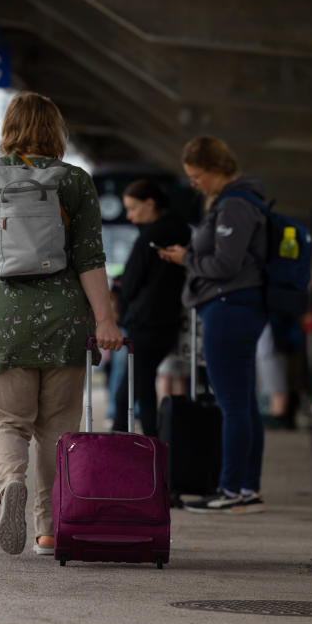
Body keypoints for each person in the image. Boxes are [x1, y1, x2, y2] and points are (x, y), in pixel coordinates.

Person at [0, 91, 123, 556]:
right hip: (65, 323)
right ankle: (49, 529)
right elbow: (90, 259)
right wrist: (105, 319)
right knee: (58, 428)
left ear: (8, 128)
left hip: (5, 321)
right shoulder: (75, 182)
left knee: (5, 421)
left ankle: (11, 486)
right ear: (56, 131)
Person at [158, 135, 268, 515]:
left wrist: (188, 259)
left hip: (228, 306)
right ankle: (246, 488)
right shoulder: (235, 201)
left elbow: (225, 265)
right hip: (235, 306)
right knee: (243, 402)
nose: (194, 183)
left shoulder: (235, 205)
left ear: (215, 169)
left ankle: (232, 488)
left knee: (232, 403)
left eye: (196, 175)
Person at [112, 179, 191, 437]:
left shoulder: (150, 236)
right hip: (167, 322)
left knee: (126, 394)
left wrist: (120, 285)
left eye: (133, 208)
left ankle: (119, 448)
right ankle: (153, 445)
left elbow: (131, 283)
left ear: (150, 203)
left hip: (145, 324)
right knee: (144, 389)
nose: (129, 215)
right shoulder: (182, 231)